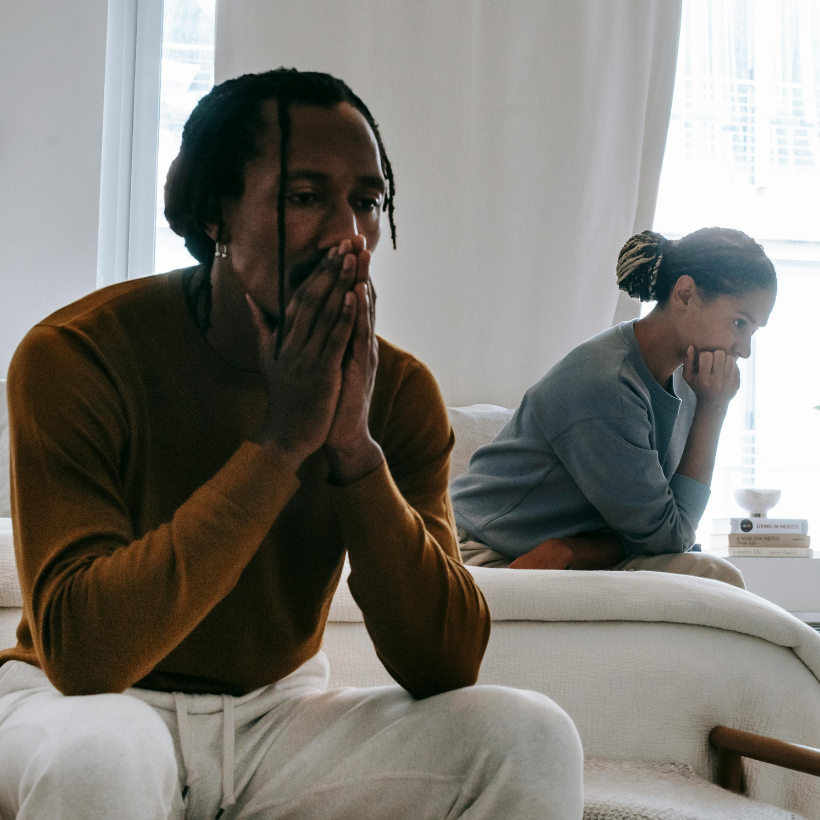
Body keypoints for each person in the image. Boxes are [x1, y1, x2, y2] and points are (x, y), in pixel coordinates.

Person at [0, 69, 584, 820]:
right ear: (216, 212)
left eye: (367, 203)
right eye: (305, 198)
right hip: (77, 705)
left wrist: (350, 446)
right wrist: (282, 443)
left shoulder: (398, 389)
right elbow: (86, 657)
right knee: (103, 756)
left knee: (530, 736)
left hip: (277, 717)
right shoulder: (76, 354)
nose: (349, 235)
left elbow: (446, 661)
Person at [451, 227, 777, 586]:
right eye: (739, 323)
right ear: (685, 294)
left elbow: (666, 533)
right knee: (712, 574)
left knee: (712, 574)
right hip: (485, 551)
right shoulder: (606, 383)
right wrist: (713, 410)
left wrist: (576, 549)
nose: (744, 349)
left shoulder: (689, 376)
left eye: (753, 331)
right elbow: (670, 537)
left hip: (560, 552)